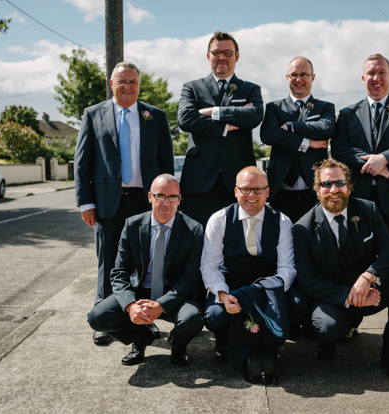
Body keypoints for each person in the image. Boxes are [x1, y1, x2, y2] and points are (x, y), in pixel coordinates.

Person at [75, 62, 174, 345]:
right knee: (107, 262)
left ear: (139, 85)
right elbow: (82, 163)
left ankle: (144, 317)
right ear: (111, 83)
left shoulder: (155, 116)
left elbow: (166, 164)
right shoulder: (93, 114)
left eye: (133, 82)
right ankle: (104, 319)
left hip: (146, 204)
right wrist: (85, 203)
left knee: (144, 264)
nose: (127, 86)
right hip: (108, 203)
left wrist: (166, 200)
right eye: (122, 81)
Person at [331, 53, 389, 347]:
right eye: (371, 73)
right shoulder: (348, 114)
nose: (376, 78)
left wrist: (386, 158)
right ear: (363, 78)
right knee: (356, 263)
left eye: (382, 72)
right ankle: (350, 322)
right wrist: (370, 162)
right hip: (359, 203)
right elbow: (340, 147)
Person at [292, 159, 389, 380]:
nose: (333, 190)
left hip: (370, 290)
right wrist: (351, 297)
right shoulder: (302, 228)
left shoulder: (367, 210)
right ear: (317, 190)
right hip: (333, 298)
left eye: (340, 183)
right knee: (328, 327)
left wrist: (368, 276)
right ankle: (327, 342)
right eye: (326, 184)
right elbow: (308, 281)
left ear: (350, 187)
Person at [87, 174, 204, 366]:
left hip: (174, 293)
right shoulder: (132, 225)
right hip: (140, 291)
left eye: (172, 197)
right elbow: (119, 273)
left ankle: (178, 344)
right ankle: (140, 336)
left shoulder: (193, 230)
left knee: (192, 319)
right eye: (160, 196)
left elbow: (191, 278)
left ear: (179, 200)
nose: (166, 202)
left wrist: (161, 305)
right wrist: (130, 305)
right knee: (97, 317)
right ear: (150, 197)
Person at [200, 166, 305, 366]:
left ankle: (272, 340)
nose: (251, 195)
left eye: (258, 190)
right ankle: (223, 341)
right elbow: (209, 265)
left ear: (267, 192)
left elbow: (287, 268)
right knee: (215, 315)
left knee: (298, 305)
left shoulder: (282, 221)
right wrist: (222, 294)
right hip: (232, 285)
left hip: (268, 285)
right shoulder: (219, 220)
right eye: (246, 189)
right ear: (236, 191)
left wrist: (263, 294)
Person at [178, 31, 264, 227]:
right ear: (208, 55)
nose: (222, 57)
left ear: (237, 56)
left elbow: (254, 116)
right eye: (217, 52)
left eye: (227, 52)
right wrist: (226, 127)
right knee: (196, 242)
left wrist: (213, 111)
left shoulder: (250, 89)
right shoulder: (191, 88)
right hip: (199, 181)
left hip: (238, 181)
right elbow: (186, 119)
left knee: (235, 241)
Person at [260, 56, 335, 223]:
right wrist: (307, 143)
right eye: (294, 74)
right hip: (281, 191)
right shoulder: (274, 108)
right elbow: (268, 135)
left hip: (315, 191)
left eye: (304, 74)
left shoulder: (325, 107)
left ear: (312, 77)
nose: (299, 79)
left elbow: (326, 128)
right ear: (287, 77)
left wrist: (291, 126)